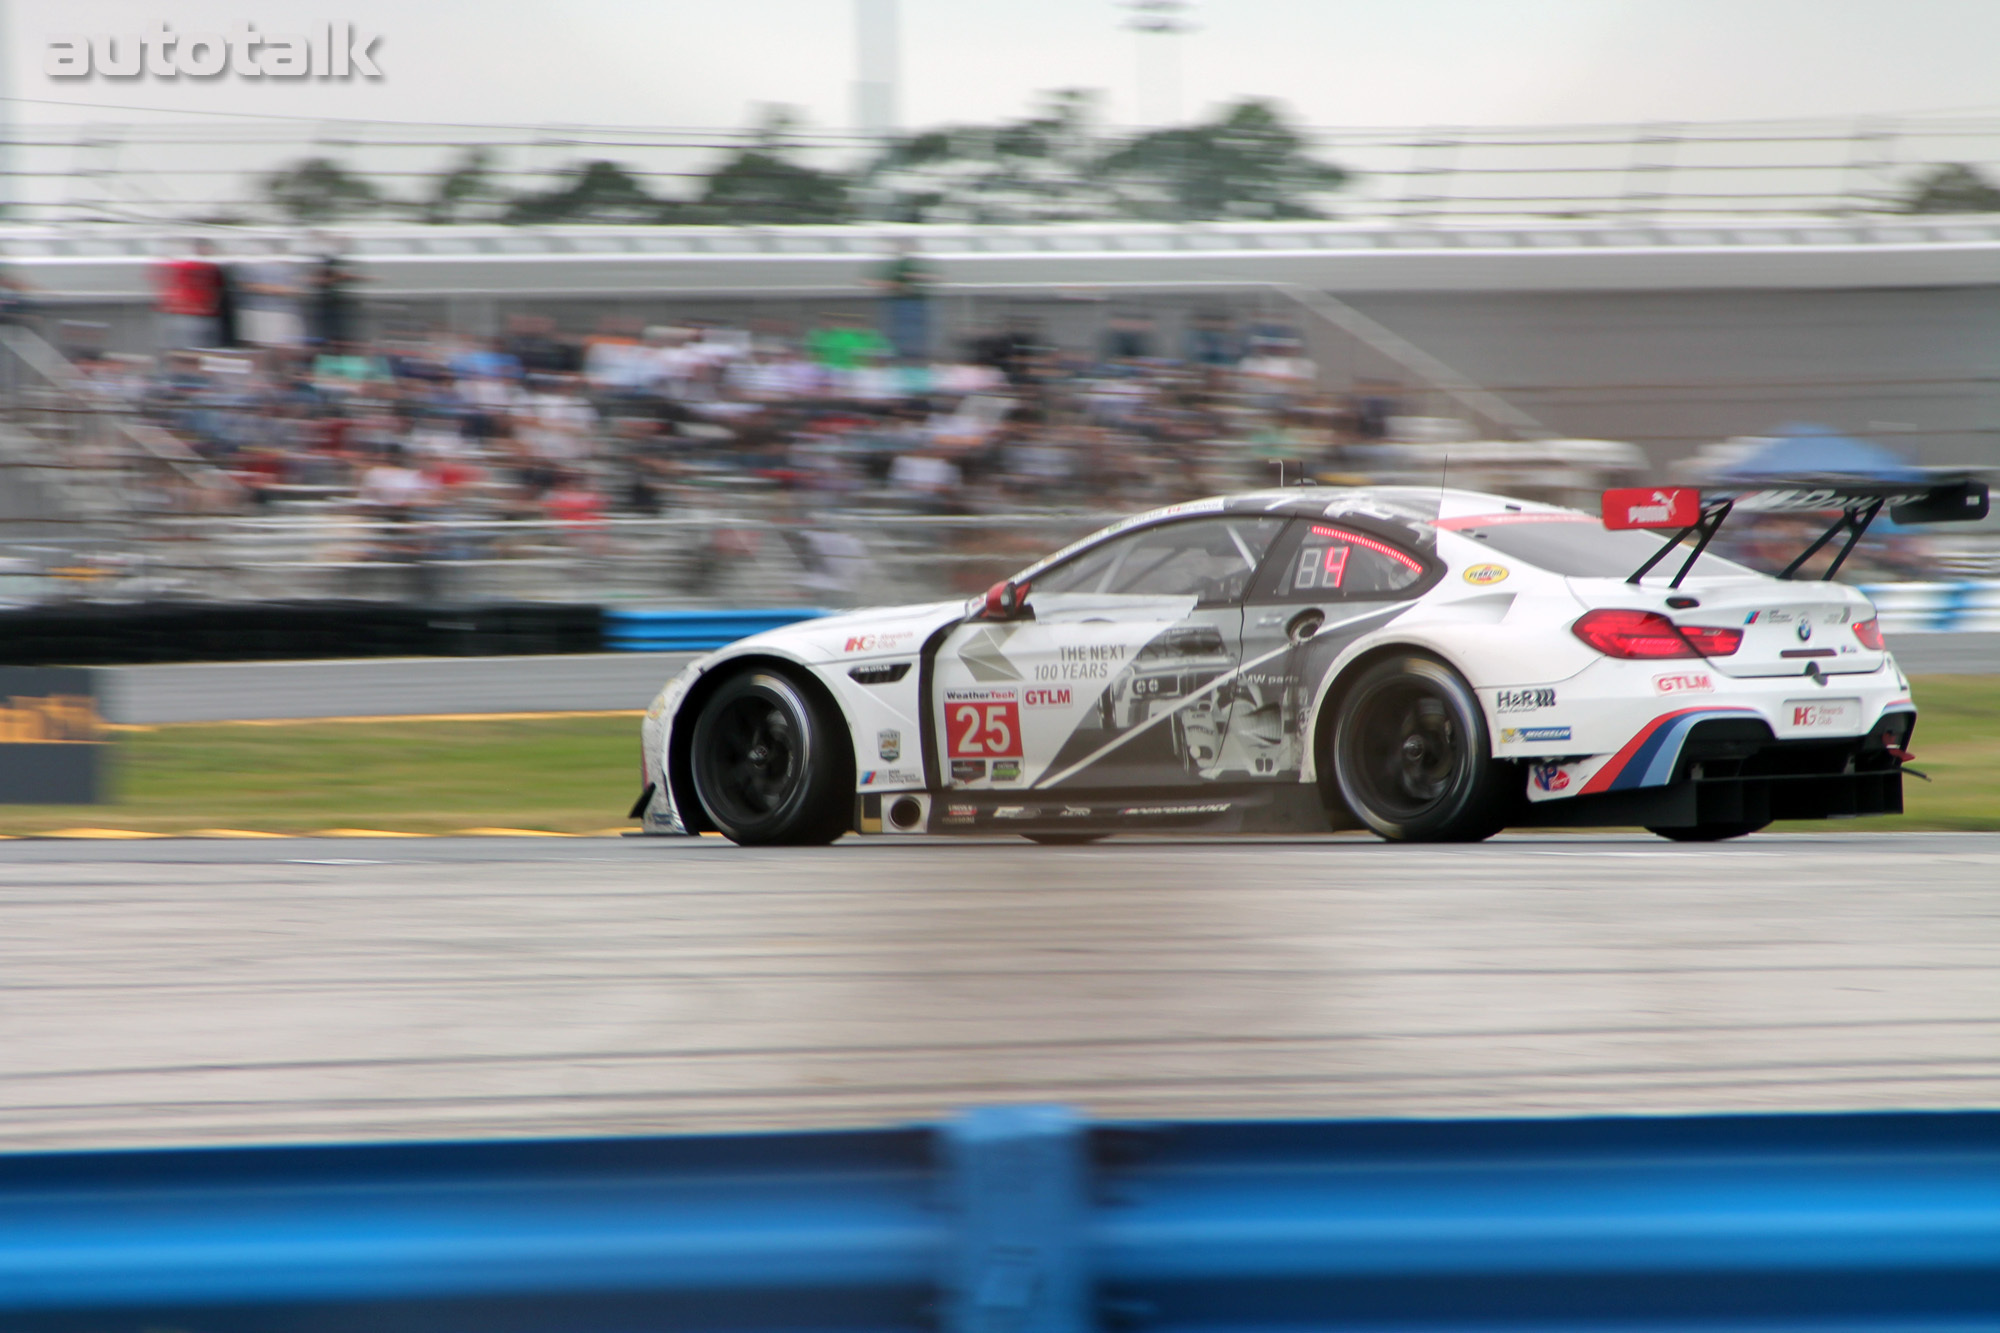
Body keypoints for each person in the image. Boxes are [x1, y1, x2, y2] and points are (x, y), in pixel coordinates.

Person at [152, 238, 226, 352]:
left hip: (203, 314)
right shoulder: (191, 266)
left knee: (200, 349)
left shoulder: (210, 267)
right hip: (187, 313)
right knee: (188, 349)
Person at [869, 239, 935, 362]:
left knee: (916, 335)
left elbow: (936, 277)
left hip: (918, 305)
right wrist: (898, 286)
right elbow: (871, 281)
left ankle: (915, 357)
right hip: (900, 305)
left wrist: (916, 277)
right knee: (901, 336)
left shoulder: (920, 262)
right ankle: (900, 356)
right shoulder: (896, 264)